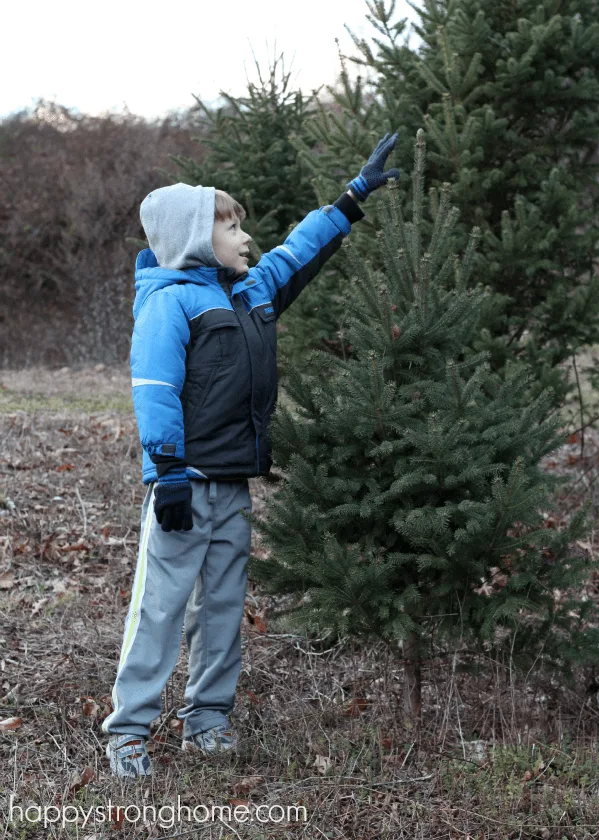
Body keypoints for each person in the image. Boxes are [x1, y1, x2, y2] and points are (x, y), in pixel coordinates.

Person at [102, 133, 400, 779]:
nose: (245, 237)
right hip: (184, 486)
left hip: (234, 485)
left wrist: (349, 200)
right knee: (159, 609)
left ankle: (207, 721)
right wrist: (167, 475)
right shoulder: (169, 301)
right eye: (230, 226)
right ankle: (128, 733)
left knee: (224, 609)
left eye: (241, 225)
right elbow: (153, 391)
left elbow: (299, 252)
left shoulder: (250, 291)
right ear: (190, 236)